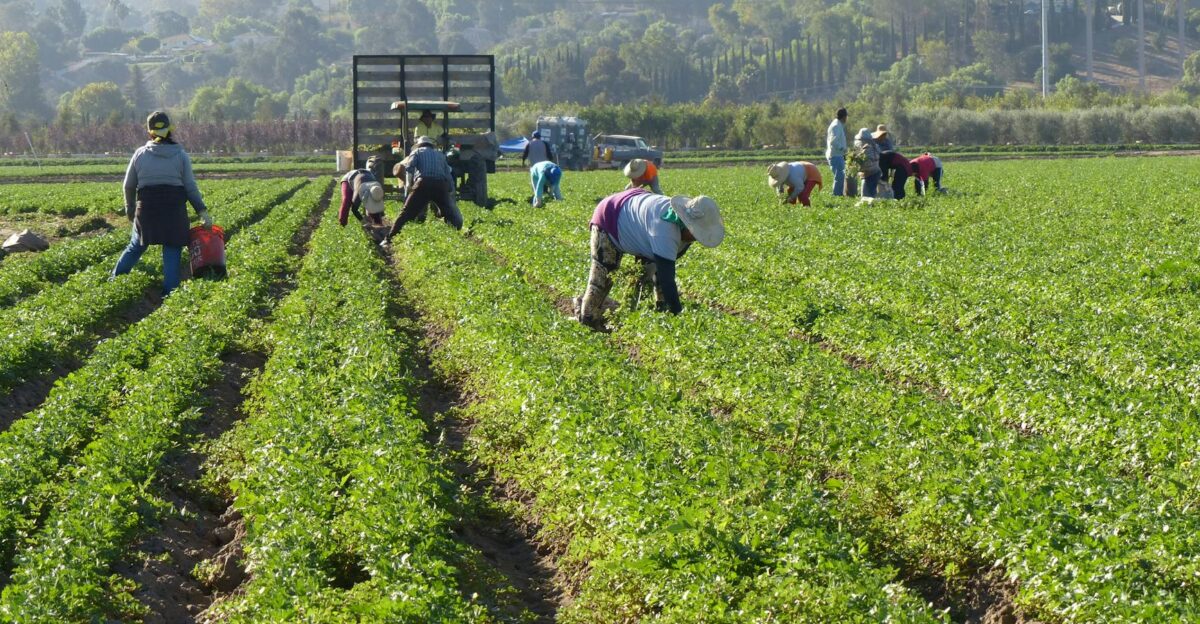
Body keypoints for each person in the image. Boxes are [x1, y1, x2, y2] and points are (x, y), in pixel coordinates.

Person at [576, 189, 724, 329]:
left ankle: (632, 313)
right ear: (687, 225)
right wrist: (677, 314)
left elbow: (662, 269)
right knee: (603, 276)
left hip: (639, 219)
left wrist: (663, 307)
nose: (697, 238)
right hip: (610, 215)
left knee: (643, 278)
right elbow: (667, 280)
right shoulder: (664, 232)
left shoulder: (684, 233)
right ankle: (588, 320)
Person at [113, 111, 211, 297]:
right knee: (172, 249)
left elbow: (129, 186)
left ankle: (114, 281)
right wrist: (202, 211)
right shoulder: (180, 155)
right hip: (173, 211)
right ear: (170, 130)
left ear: (150, 132)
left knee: (136, 245)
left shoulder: (140, 154)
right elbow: (190, 187)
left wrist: (130, 208)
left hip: (147, 210)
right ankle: (169, 294)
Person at [381, 136, 462, 244]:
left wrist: (409, 185)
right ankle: (455, 236)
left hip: (423, 184)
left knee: (406, 212)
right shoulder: (440, 155)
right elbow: (448, 174)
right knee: (449, 211)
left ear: (419, 145)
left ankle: (389, 239)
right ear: (431, 146)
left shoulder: (417, 152)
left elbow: (409, 168)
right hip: (440, 185)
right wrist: (451, 190)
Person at [853, 128, 882, 198]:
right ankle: (872, 205)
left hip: (870, 173)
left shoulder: (867, 149)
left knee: (866, 196)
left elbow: (866, 164)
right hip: (876, 172)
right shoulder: (875, 146)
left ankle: (871, 206)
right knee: (871, 193)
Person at [826, 108, 848, 196]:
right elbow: (833, 141)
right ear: (844, 117)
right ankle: (837, 195)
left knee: (840, 176)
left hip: (837, 155)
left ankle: (838, 194)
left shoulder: (838, 124)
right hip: (836, 155)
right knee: (839, 177)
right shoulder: (836, 126)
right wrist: (843, 148)